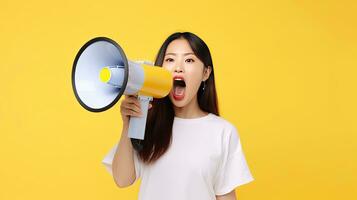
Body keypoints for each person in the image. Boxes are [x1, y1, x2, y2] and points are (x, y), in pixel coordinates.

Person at [102, 32, 254, 200]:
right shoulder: (148, 123)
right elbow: (122, 179)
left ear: (206, 73)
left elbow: (225, 196)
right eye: (170, 60)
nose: (178, 67)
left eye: (189, 60)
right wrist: (128, 124)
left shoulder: (223, 132)